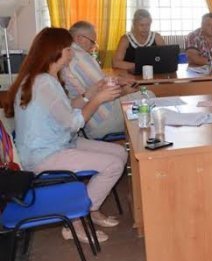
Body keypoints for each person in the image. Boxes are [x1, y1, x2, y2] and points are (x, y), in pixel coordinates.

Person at [4, 27, 127, 244]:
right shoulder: (44, 83)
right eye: (69, 49)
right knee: (114, 165)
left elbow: (65, 109)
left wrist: (91, 93)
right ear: (56, 51)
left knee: (120, 152)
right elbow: (73, 123)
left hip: (58, 143)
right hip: (44, 155)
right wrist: (98, 100)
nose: (72, 53)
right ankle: (77, 219)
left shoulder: (45, 79)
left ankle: (90, 208)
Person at [61, 20, 139, 139]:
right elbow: (103, 90)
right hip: (100, 120)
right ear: (80, 38)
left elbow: (97, 84)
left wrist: (118, 80)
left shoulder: (71, 54)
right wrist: (125, 91)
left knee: (139, 98)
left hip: (89, 119)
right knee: (147, 96)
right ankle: (141, 144)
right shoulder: (79, 56)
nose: (93, 46)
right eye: (92, 41)